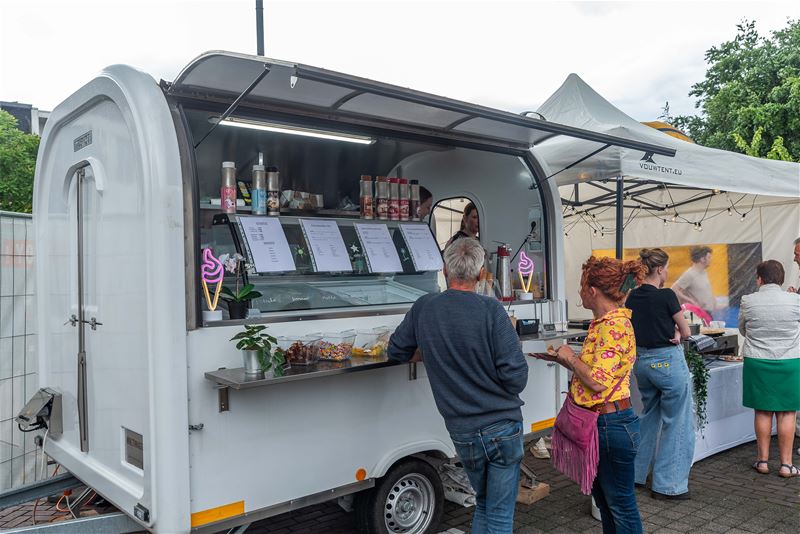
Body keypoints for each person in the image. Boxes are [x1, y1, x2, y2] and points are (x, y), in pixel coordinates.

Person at [387, 237, 528, 533]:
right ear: (480, 274)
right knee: (500, 513)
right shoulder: (491, 311)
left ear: (444, 269)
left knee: (484, 504)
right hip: (502, 425)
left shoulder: (425, 307)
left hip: (463, 430)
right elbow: (517, 377)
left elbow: (396, 351)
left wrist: (434, 348)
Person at [535, 256, 646, 534]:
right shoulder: (605, 323)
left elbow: (597, 381)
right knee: (608, 503)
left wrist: (571, 358)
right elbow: (597, 372)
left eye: (582, 286)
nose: (579, 292)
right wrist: (562, 359)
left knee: (619, 505)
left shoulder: (613, 326)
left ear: (593, 291)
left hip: (611, 425)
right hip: (605, 423)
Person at [625, 248, 694, 500]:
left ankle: (635, 475)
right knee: (678, 422)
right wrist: (677, 332)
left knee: (649, 416)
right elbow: (685, 332)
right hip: (667, 362)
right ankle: (669, 486)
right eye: (666, 268)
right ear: (659, 269)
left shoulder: (631, 297)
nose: (667, 273)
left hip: (641, 363)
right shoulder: (666, 295)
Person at [738, 260, 800, 478]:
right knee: (787, 413)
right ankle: (786, 465)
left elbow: (743, 329)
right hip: (789, 362)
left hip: (757, 361)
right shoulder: (795, 301)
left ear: (759, 278)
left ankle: (762, 461)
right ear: (781, 279)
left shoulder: (748, 300)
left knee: (762, 411)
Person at [672, 246, 715, 316]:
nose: (711, 259)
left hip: (707, 312)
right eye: (709, 257)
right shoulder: (690, 274)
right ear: (702, 259)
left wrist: (713, 300)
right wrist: (690, 301)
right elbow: (674, 289)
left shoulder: (704, 272)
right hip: (697, 313)